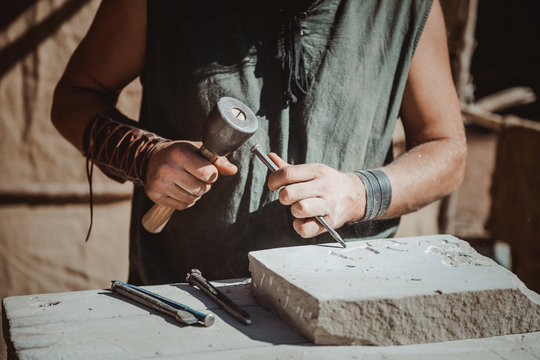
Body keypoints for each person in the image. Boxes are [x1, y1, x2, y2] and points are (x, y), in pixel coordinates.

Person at [51, 0, 466, 284]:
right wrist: (143, 155)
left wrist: (358, 194)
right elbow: (76, 97)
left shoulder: (403, 8)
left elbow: (447, 149)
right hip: (186, 301)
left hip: (345, 301)